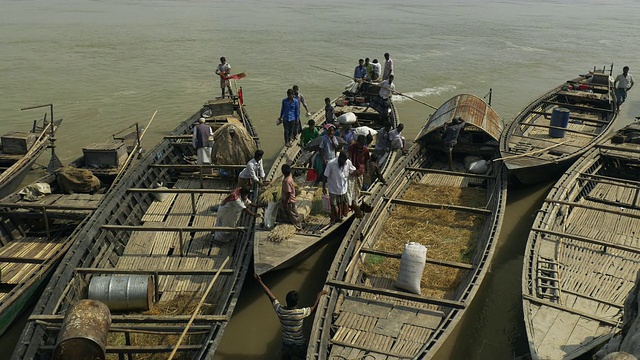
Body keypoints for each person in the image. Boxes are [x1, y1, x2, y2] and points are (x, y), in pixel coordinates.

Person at [254, 273, 327, 360]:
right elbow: (314, 308)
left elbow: (269, 294)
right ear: (297, 302)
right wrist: (318, 296)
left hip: (287, 345)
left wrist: (260, 281)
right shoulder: (301, 313)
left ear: (286, 300)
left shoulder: (280, 310)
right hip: (299, 344)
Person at [322, 151, 356, 224]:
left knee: (342, 204)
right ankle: (334, 220)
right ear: (339, 158)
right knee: (334, 205)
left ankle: (340, 218)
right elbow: (325, 176)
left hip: (343, 189)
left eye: (345, 160)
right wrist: (324, 187)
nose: (344, 162)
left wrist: (358, 172)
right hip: (333, 189)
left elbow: (352, 171)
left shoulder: (348, 162)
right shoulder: (331, 164)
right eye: (343, 161)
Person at [347, 135, 370, 217]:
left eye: (362, 144)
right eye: (359, 144)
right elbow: (348, 158)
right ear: (357, 142)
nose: (360, 146)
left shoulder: (365, 150)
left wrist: (367, 171)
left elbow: (367, 161)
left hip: (360, 171)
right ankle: (352, 203)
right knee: (350, 188)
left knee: (358, 188)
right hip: (352, 171)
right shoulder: (351, 147)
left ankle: (355, 203)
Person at [277, 164, 302, 230]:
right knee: (292, 212)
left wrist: (285, 202)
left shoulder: (286, 181)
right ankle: (295, 223)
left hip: (289, 200)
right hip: (291, 199)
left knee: (293, 214)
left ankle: (298, 226)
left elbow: (288, 192)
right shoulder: (289, 177)